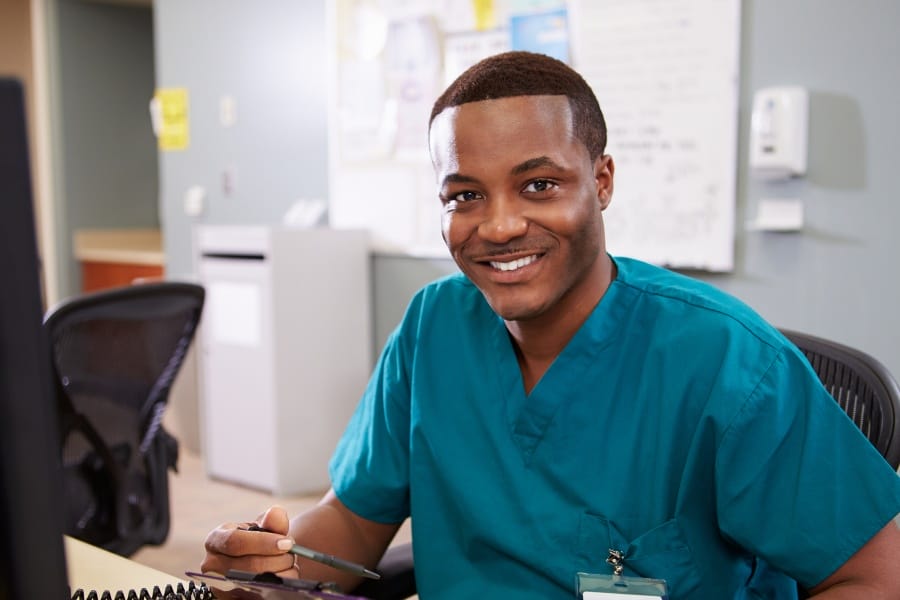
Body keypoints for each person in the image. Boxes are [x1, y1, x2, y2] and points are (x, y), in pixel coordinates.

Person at [202, 51, 900, 599]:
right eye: (465, 195)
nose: (500, 225)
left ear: (601, 181)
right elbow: (354, 520)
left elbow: (877, 575)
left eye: (539, 185)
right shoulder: (432, 328)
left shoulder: (729, 364)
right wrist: (274, 562)